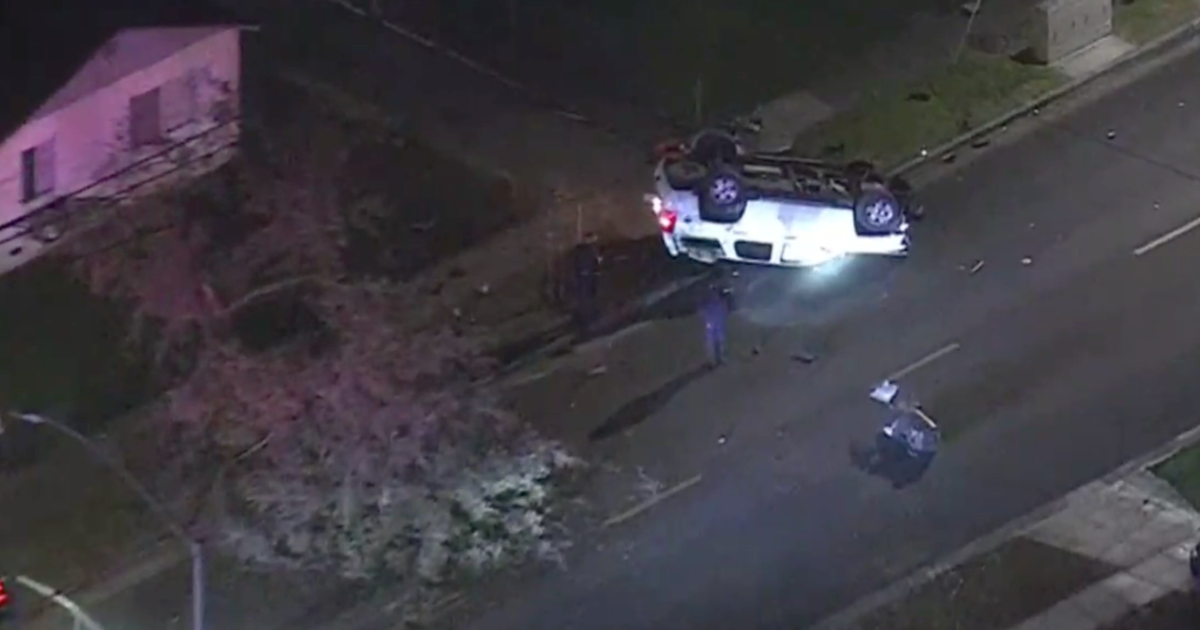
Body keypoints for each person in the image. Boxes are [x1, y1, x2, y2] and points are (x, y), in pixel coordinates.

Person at [570, 232, 601, 334]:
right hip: (584, 277)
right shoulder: (584, 251)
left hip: (587, 276)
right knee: (585, 298)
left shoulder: (588, 251)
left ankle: (586, 318)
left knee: (587, 297)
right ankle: (585, 319)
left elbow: (594, 264)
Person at [700, 283, 730, 367]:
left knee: (720, 341)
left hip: (718, 322)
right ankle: (712, 360)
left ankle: (719, 358)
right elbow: (703, 310)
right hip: (711, 323)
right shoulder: (706, 301)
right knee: (711, 342)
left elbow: (724, 309)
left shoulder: (720, 300)